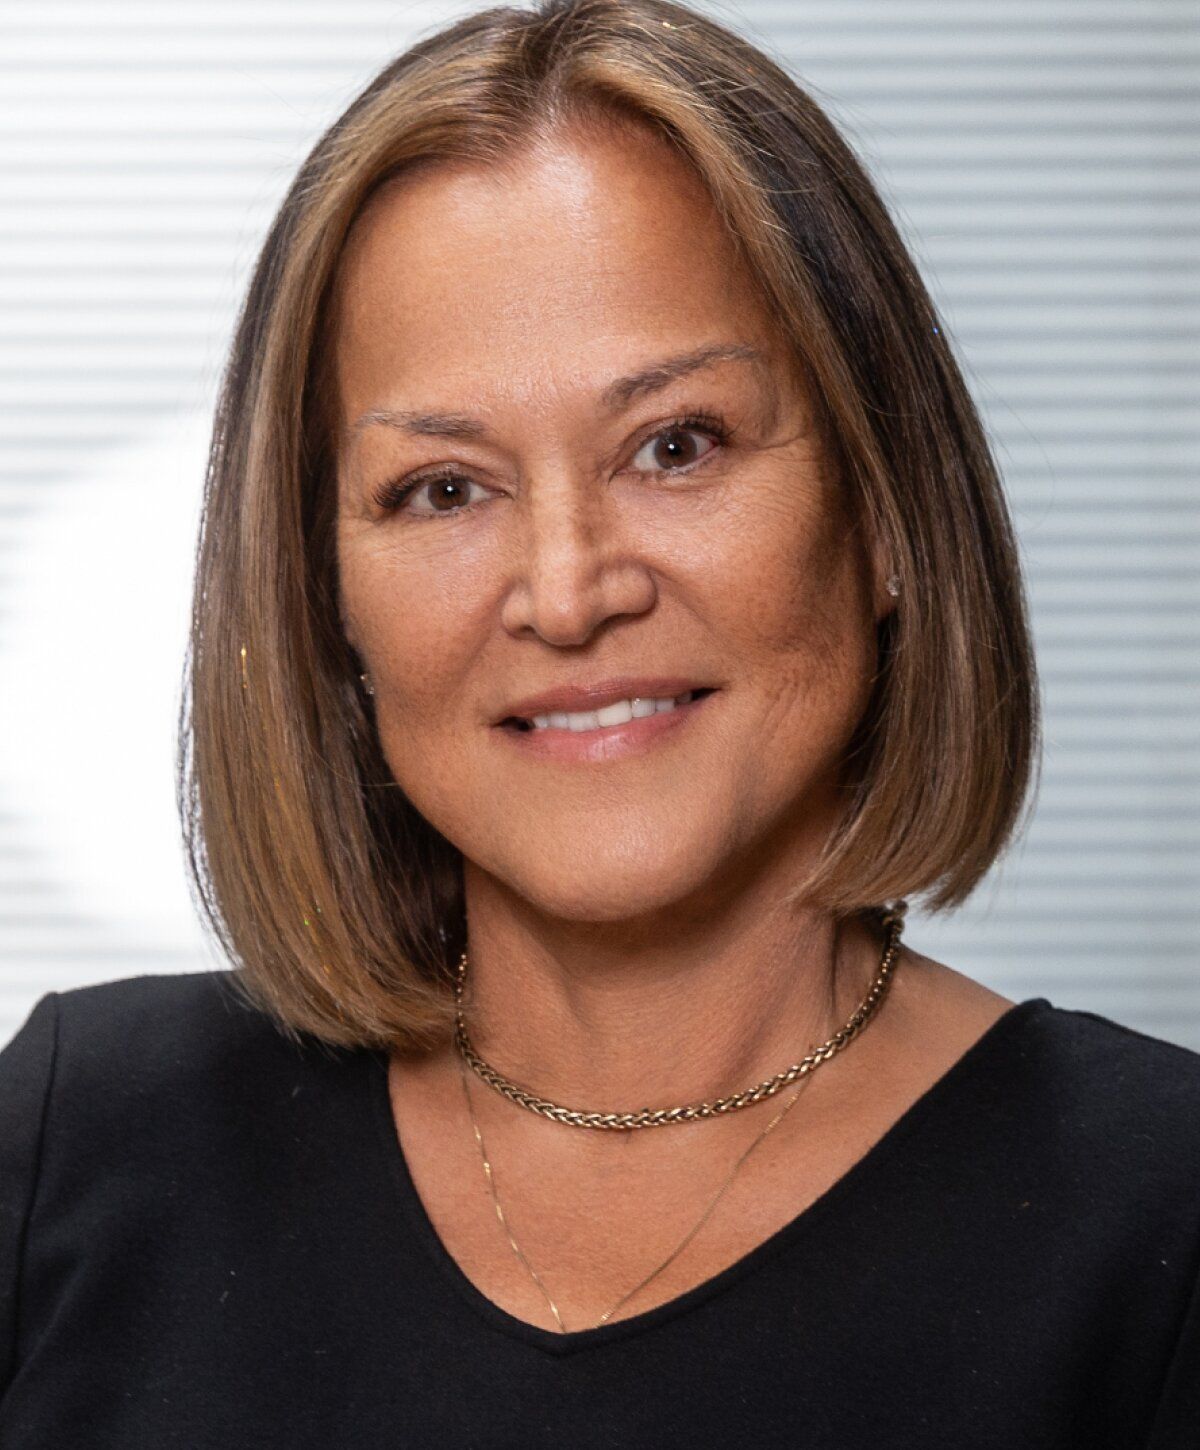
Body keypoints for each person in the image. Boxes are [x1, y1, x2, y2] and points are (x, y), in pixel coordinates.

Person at [2, 0, 1198, 1444]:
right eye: (443, 488)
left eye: (675, 445)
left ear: (883, 509)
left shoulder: (1161, 1218)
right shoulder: (74, 1144)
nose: (567, 593)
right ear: (325, 596)